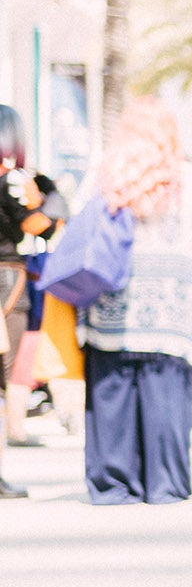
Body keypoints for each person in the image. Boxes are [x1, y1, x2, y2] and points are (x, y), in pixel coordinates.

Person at [77, 98, 192, 505]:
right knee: (166, 395)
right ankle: (165, 481)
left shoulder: (105, 175)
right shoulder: (188, 179)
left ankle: (114, 484)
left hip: (112, 300)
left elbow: (81, 228)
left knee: (112, 390)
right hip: (173, 310)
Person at [0, 103, 69, 498]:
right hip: (7, 280)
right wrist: (54, 201)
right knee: (6, 376)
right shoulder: (10, 181)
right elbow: (35, 225)